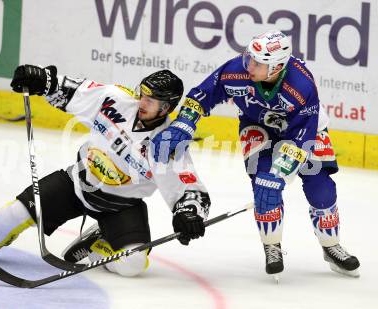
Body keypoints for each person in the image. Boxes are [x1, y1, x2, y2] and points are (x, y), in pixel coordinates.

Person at [0, 65, 211, 277]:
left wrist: (189, 213)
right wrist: (43, 80)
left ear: (166, 107)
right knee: (14, 214)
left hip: (122, 205)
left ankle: (98, 244)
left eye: (151, 100)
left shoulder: (168, 143)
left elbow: (189, 189)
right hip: (76, 183)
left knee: (133, 265)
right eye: (143, 94)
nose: (143, 102)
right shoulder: (115, 99)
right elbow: (72, 91)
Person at [151, 30, 360, 278]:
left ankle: (331, 246)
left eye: (258, 62)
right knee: (263, 188)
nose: (249, 64)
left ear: (277, 67)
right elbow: (203, 94)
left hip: (304, 132)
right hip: (257, 127)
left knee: (320, 188)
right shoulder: (236, 70)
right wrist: (184, 123)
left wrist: (281, 170)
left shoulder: (301, 85)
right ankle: (272, 246)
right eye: (249, 56)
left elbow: (302, 135)